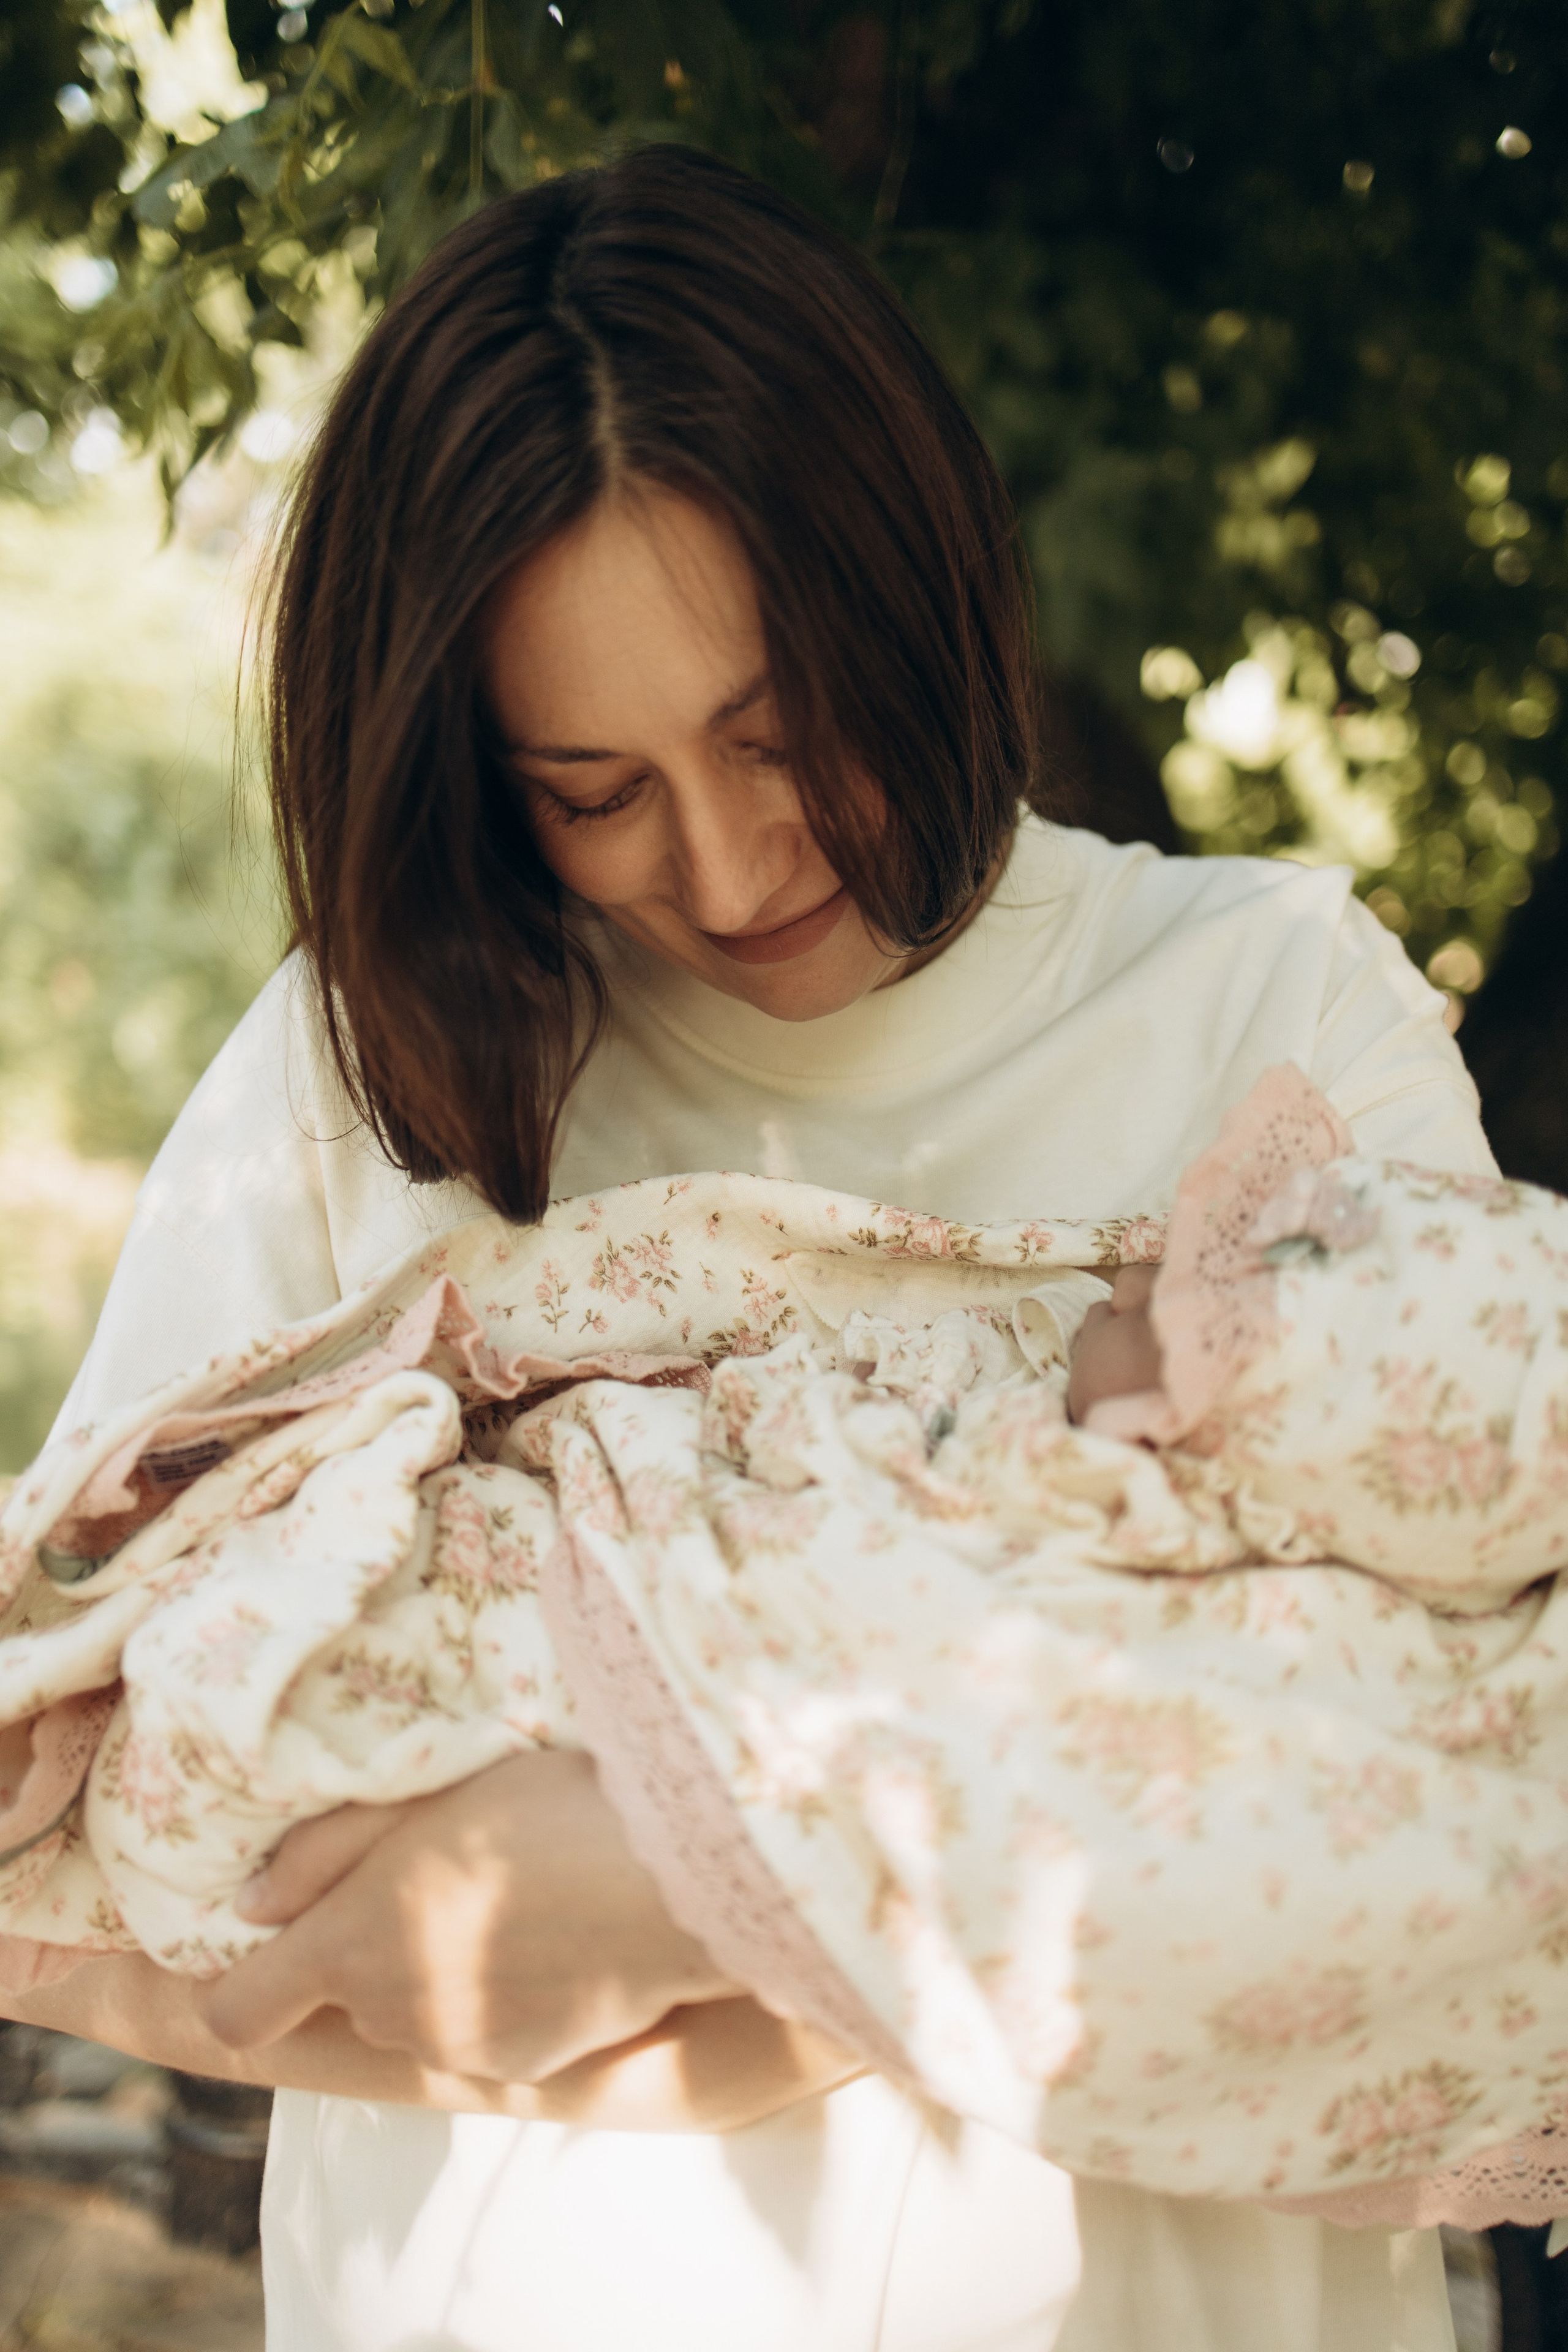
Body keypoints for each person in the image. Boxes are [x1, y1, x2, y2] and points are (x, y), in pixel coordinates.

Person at [3, 146, 1494, 2351]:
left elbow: (1477, 1784)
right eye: (590, 790)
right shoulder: (378, 1063)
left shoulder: (1268, 1010)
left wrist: (730, 1899)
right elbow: (98, 1821)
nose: (722, 864)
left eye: (781, 731)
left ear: (925, 589)